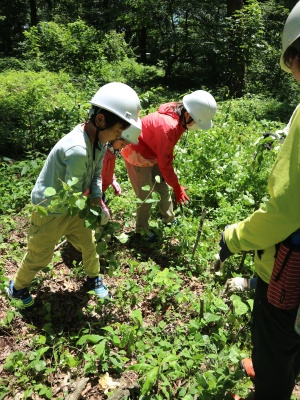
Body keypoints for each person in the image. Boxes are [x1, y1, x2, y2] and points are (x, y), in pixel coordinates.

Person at [219, 3, 300, 399]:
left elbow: (286, 208)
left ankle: (270, 383)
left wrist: (232, 237)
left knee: (274, 333)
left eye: (293, 64)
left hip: (290, 265)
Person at [7, 82, 142, 309]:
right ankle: (17, 287)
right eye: (118, 131)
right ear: (100, 120)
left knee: (89, 244)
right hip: (51, 209)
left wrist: (98, 199)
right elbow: (74, 192)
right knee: (40, 253)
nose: (118, 136)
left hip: (75, 207)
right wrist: (93, 205)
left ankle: (93, 278)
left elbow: (96, 174)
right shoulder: (78, 150)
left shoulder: (99, 143)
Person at [122, 90, 217, 241]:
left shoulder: (178, 117)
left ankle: (169, 219)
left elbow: (165, 157)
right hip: (137, 153)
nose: (195, 127)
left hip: (153, 152)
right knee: (145, 196)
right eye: (196, 123)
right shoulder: (169, 126)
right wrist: (177, 187)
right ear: (187, 115)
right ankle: (141, 230)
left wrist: (175, 185)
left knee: (162, 188)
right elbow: (165, 164)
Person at [101, 123, 141, 203]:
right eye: (122, 144)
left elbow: (108, 169)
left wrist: (113, 180)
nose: (123, 147)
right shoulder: (102, 153)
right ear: (115, 137)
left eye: (126, 145)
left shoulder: (112, 152)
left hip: (101, 191)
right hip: (93, 193)